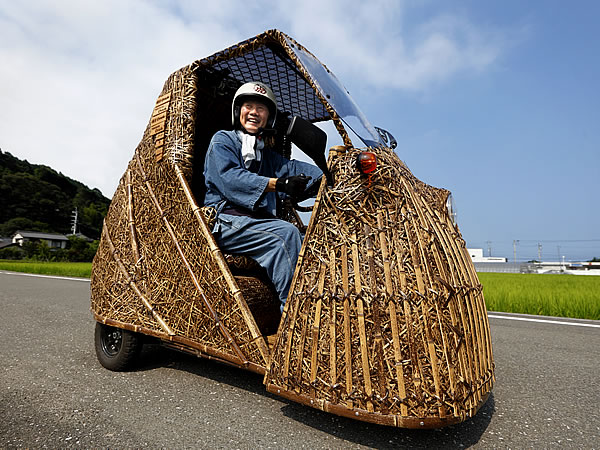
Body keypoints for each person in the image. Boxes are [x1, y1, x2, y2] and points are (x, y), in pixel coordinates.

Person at [203, 81, 323, 312]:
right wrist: (277, 184)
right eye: (249, 106)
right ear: (238, 111)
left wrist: (332, 173)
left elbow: (294, 168)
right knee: (285, 236)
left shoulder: (266, 155)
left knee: (307, 238)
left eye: (261, 108)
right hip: (225, 221)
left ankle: (317, 301)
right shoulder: (223, 140)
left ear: (269, 117)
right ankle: (295, 315)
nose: (254, 113)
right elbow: (230, 178)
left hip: (256, 223)